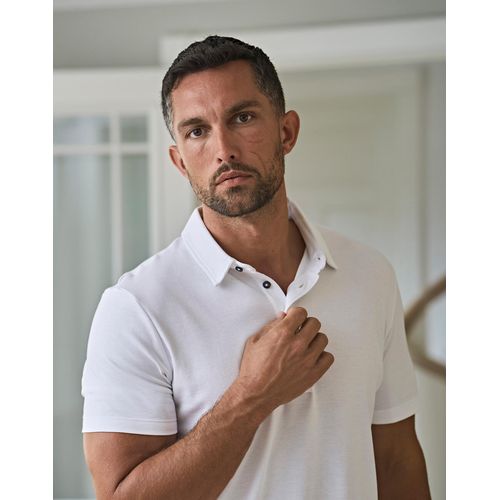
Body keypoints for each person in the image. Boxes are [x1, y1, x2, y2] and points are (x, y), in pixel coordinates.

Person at [82, 35, 431, 499]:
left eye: (242, 118)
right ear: (179, 161)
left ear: (287, 132)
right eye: (197, 131)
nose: (223, 149)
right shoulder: (136, 307)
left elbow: (396, 459)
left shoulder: (370, 275)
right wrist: (251, 397)